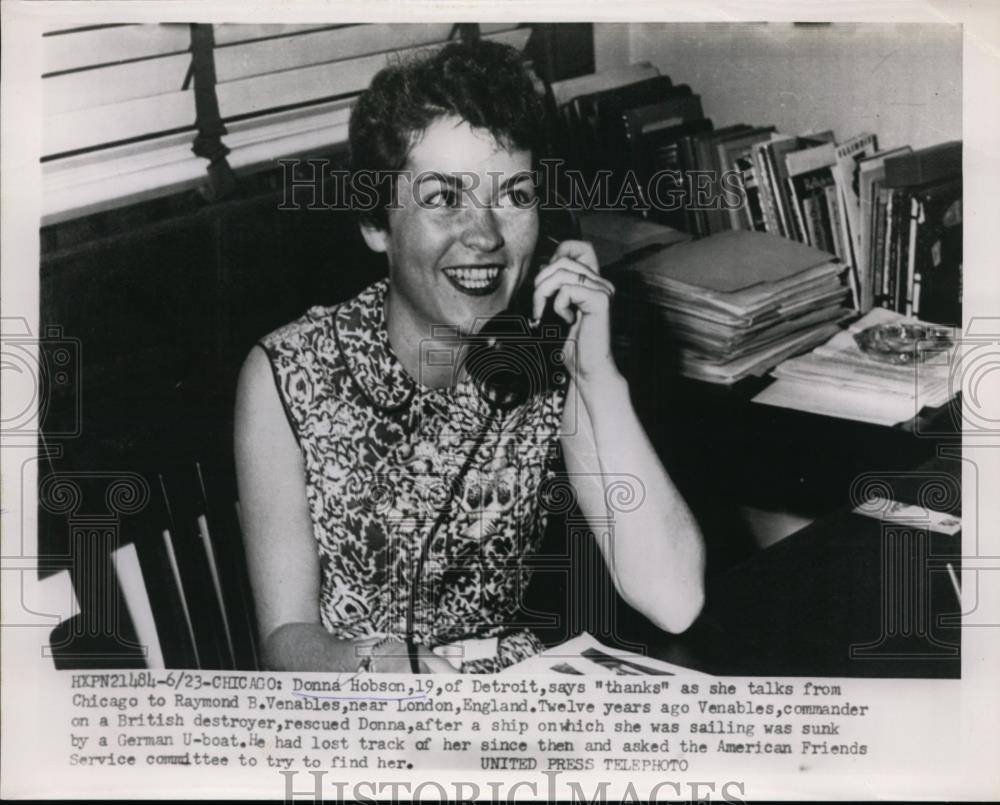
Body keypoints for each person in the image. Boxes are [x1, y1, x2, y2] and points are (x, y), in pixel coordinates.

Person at [234, 40, 705, 674]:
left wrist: (594, 376)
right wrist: (403, 669)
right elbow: (285, 643)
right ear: (377, 224)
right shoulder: (289, 373)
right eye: (442, 198)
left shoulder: (540, 353)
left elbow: (674, 600)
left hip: (506, 705)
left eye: (512, 195)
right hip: (360, 710)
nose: (484, 235)